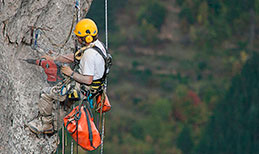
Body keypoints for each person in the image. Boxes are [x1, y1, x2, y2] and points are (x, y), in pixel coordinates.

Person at [28, 18, 108, 134]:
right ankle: (55, 126)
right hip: (94, 88)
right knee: (63, 104)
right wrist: (54, 58)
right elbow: (76, 56)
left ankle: (46, 125)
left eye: (79, 37)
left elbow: (88, 80)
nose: (78, 40)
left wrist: (70, 73)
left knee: (46, 94)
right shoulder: (97, 46)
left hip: (84, 88)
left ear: (87, 37)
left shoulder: (90, 55)